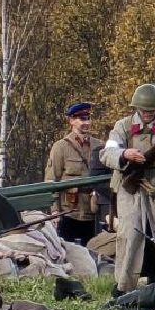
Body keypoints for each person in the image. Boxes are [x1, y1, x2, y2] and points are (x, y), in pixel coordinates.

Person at [100, 84, 155, 295]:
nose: (148, 114)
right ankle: (123, 289)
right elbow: (107, 152)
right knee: (128, 236)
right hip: (131, 189)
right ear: (137, 108)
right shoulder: (122, 126)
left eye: (152, 110)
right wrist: (125, 154)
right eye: (144, 110)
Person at [45, 103, 105, 246]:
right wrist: (55, 211)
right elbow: (51, 180)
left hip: (94, 211)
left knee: (96, 252)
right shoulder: (61, 147)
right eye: (81, 119)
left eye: (88, 118)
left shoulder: (100, 146)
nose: (86, 122)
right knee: (70, 253)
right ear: (71, 121)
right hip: (70, 211)